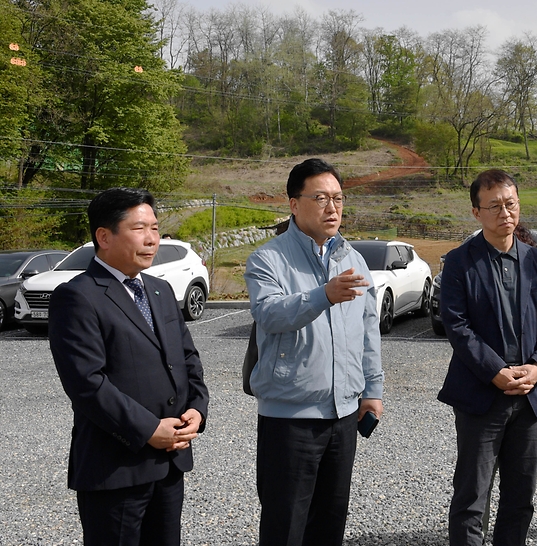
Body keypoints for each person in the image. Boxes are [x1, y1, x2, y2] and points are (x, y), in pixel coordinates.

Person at [48, 187, 209, 545]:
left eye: (155, 228)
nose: (152, 239)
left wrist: (197, 409)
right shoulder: (78, 296)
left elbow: (187, 359)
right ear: (103, 236)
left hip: (170, 462)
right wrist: (149, 429)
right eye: (140, 229)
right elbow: (87, 384)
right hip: (116, 467)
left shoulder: (159, 290)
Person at [244, 158, 384, 546]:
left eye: (338, 198)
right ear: (293, 204)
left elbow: (367, 329)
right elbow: (269, 314)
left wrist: (372, 390)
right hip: (290, 417)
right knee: (285, 527)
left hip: (343, 415)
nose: (332, 208)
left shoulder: (352, 258)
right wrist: (323, 295)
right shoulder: (268, 259)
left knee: (329, 526)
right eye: (320, 198)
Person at [438, 168, 537, 546]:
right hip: (481, 396)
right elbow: (456, 326)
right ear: (476, 212)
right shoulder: (459, 262)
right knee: (471, 498)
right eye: (494, 206)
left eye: (510, 204)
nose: (504, 213)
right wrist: (495, 371)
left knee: (520, 498)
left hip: (528, 397)